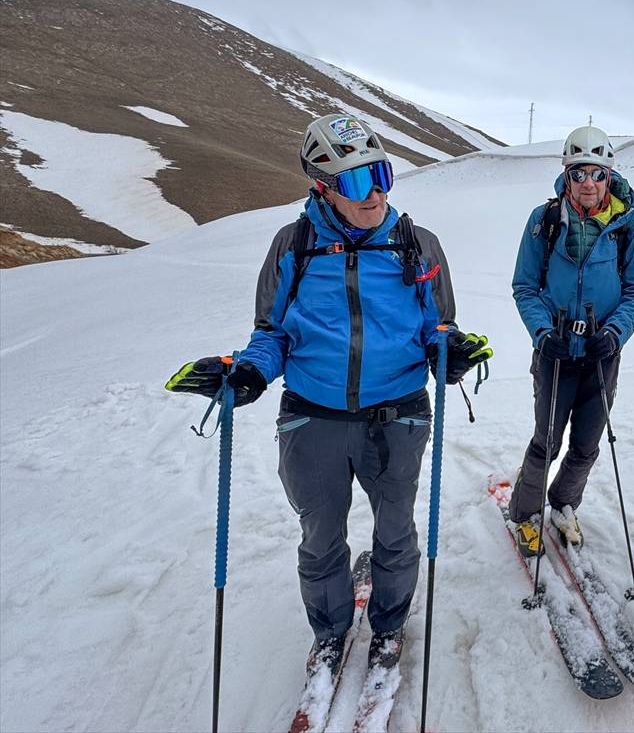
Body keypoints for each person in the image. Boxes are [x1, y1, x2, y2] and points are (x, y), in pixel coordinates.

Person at [165, 113, 492, 679]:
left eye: (381, 175)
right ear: (323, 187)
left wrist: (450, 353)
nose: (375, 194)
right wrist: (249, 374)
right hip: (312, 418)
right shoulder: (293, 245)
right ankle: (330, 632)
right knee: (319, 538)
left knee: (396, 531)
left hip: (398, 416)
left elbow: (437, 326)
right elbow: (272, 332)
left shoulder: (417, 245)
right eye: (358, 181)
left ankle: (388, 626)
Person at [508, 124, 634, 556]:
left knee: (587, 443)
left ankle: (564, 503)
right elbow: (525, 286)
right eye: (579, 173)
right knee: (546, 441)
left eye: (597, 173)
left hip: (602, 353)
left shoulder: (628, 226)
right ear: (566, 174)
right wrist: (542, 332)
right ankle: (524, 513)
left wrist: (615, 332)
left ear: (610, 175)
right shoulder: (545, 220)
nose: (589, 183)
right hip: (555, 351)